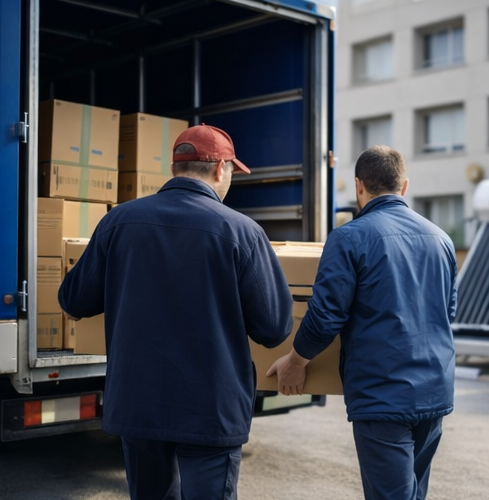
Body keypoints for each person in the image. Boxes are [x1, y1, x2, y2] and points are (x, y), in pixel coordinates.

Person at [58, 124, 293, 499]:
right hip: (210, 407)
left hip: (137, 401)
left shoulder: (118, 222)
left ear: (174, 168)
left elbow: (73, 300)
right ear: (220, 169)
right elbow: (273, 327)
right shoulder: (242, 232)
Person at [267, 145, 458, 500]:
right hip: (434, 390)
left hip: (382, 394)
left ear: (359, 186)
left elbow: (326, 316)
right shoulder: (441, 239)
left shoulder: (349, 238)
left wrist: (296, 361)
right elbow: (448, 314)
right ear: (404, 186)